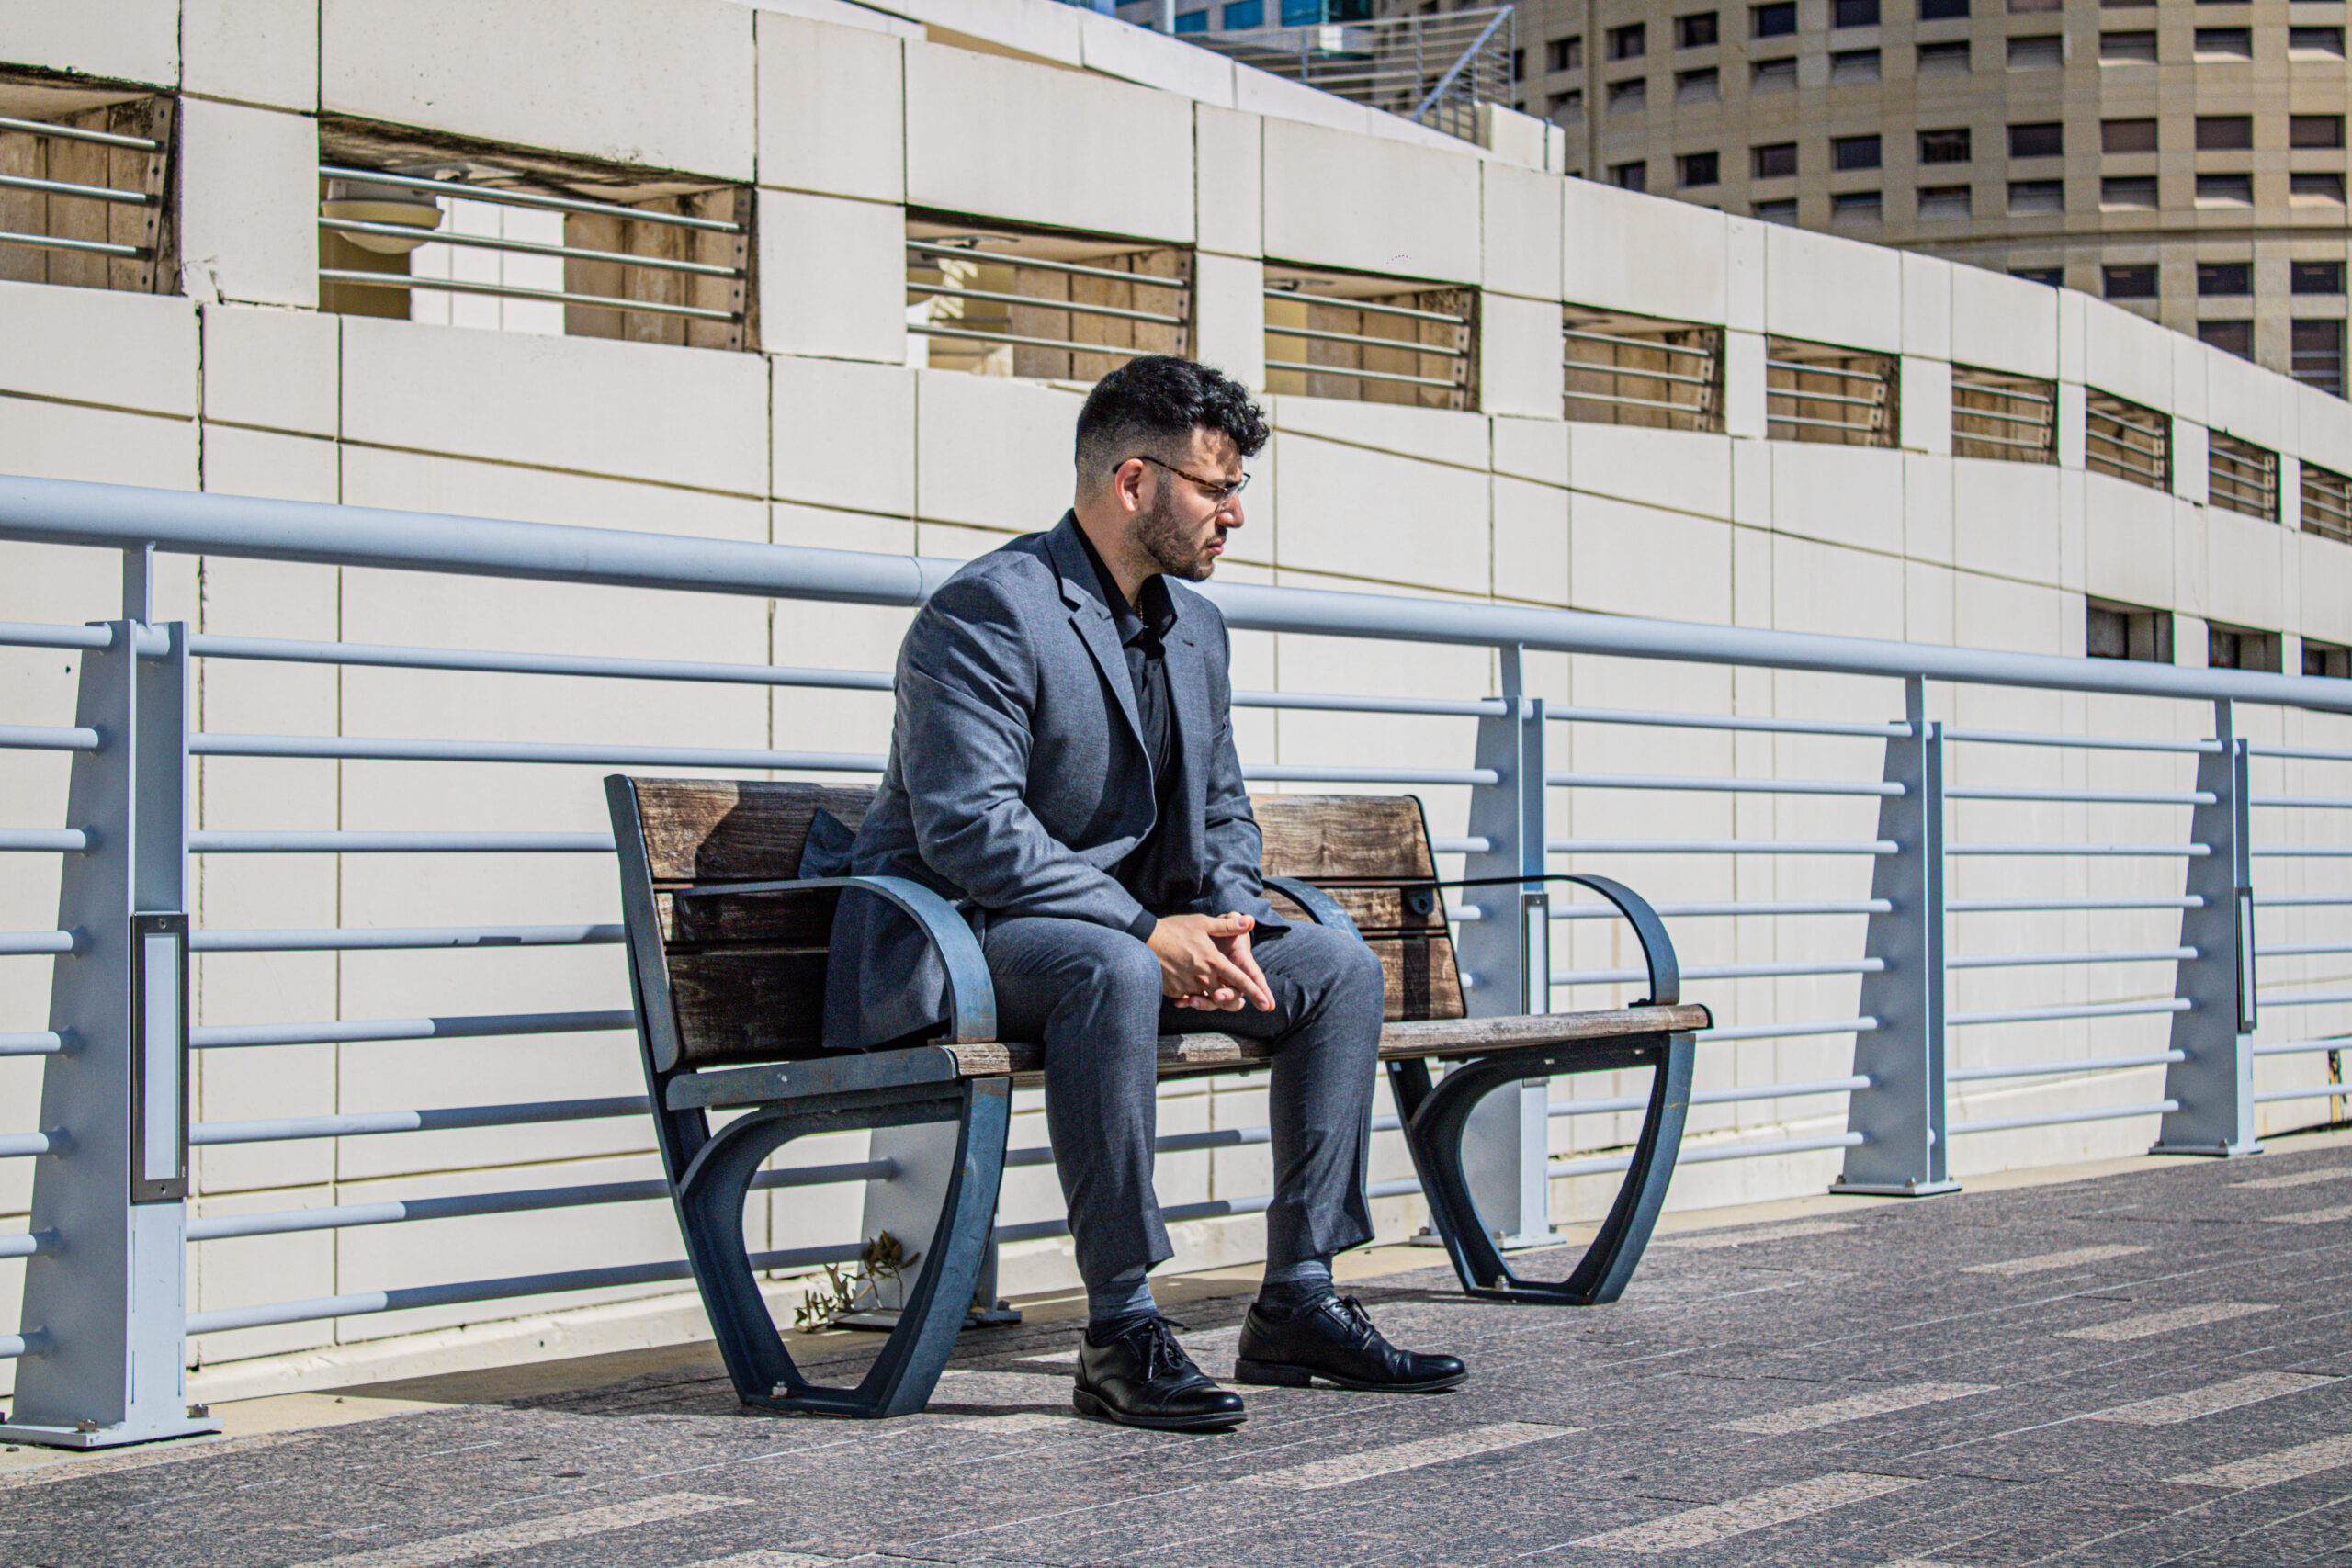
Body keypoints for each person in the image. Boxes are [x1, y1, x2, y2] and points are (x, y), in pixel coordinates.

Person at [821, 355, 1466, 1429]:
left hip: (1124, 942)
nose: (1235, 514)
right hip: (966, 938)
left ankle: (1298, 1298)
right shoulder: (987, 610)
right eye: (1215, 489)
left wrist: (1231, 925)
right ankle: (1119, 1328)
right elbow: (971, 827)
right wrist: (1144, 929)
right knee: (1113, 966)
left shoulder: (1196, 628)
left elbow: (1224, 809)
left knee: (1335, 968)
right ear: (1133, 482)